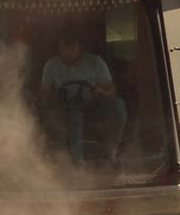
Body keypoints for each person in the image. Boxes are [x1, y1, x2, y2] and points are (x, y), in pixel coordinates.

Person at [39, 31, 127, 166]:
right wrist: (45, 106)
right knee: (73, 114)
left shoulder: (95, 63)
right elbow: (44, 94)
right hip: (64, 111)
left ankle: (111, 152)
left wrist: (102, 91)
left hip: (94, 107)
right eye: (64, 49)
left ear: (80, 47)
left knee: (119, 106)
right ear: (59, 48)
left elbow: (111, 90)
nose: (68, 52)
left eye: (72, 49)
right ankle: (76, 164)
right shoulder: (51, 65)